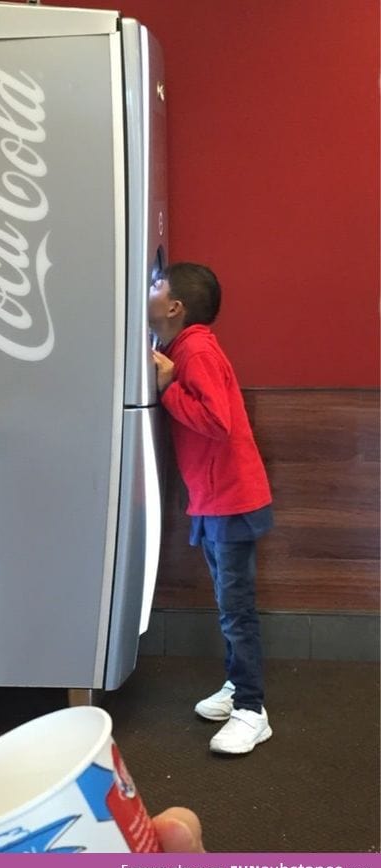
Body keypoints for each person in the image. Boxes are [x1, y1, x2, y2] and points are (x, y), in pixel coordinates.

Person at [149, 262, 273, 755]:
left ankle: (252, 708)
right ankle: (236, 686)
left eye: (157, 285)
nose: (150, 288)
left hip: (231, 501)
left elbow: (216, 422)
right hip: (214, 499)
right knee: (229, 606)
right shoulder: (180, 347)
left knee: (236, 610)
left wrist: (168, 388)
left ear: (175, 307)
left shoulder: (195, 348)